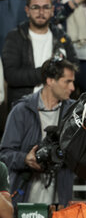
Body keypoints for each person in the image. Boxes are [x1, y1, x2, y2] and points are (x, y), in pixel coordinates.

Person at [0, 57, 77, 206]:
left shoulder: (74, 112)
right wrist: (25, 159)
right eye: (67, 81)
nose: (73, 87)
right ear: (50, 81)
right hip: (25, 200)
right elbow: (4, 154)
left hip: (60, 200)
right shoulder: (22, 110)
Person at [1, 0, 78, 110]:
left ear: (52, 10)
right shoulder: (14, 37)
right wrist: (46, 72)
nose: (41, 12)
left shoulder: (62, 37)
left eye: (46, 7)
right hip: (24, 107)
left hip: (58, 107)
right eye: (35, 7)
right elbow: (11, 75)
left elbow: (75, 68)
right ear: (27, 10)